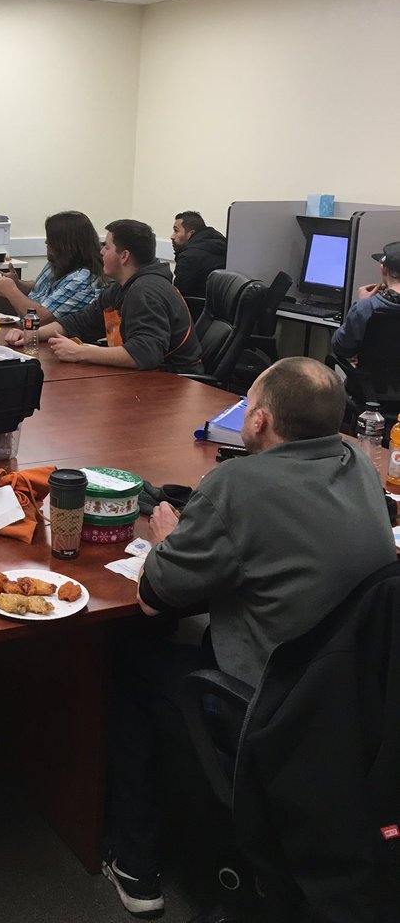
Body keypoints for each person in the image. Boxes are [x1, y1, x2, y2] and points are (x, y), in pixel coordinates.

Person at [101, 357, 396, 917]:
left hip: (269, 710)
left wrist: (170, 538)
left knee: (130, 655)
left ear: (257, 422)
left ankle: (136, 862)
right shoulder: (360, 465)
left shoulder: (236, 486)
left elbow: (152, 596)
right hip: (357, 704)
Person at [7, 219, 203, 373]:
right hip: (149, 376)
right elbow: (80, 322)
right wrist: (32, 334)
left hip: (174, 382)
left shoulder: (146, 291)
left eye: (107, 247)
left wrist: (81, 352)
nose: (101, 252)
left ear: (124, 256)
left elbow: (144, 354)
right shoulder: (122, 287)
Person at [0, 210, 104, 324]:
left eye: (51, 239)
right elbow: (41, 290)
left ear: (65, 245)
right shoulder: (58, 261)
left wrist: (11, 291)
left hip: (52, 337)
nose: (46, 242)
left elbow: (39, 318)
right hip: (27, 331)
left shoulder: (82, 279)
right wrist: (17, 284)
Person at [331, 239, 400, 361]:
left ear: (384, 269)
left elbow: (341, 347)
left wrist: (361, 303)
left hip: (373, 379)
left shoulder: (367, 308)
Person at [170, 210, 227, 298]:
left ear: (190, 233)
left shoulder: (189, 257)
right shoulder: (221, 244)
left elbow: (177, 297)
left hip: (195, 309)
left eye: (176, 231)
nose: (172, 236)